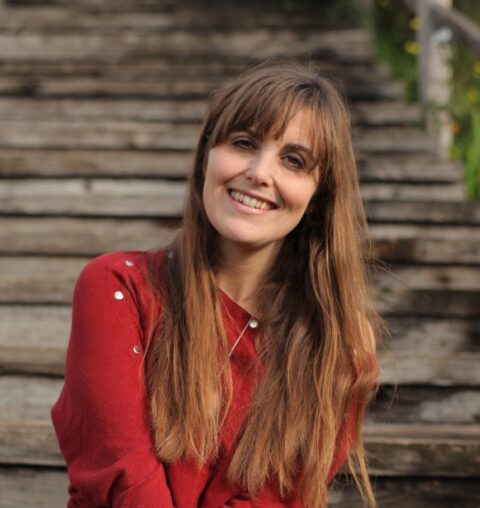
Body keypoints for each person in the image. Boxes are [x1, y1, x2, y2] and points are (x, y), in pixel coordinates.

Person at [51, 60, 380, 508]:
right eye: (244, 143)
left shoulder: (337, 342)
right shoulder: (117, 288)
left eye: (294, 160)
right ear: (206, 155)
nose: (260, 172)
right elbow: (123, 476)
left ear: (318, 196)